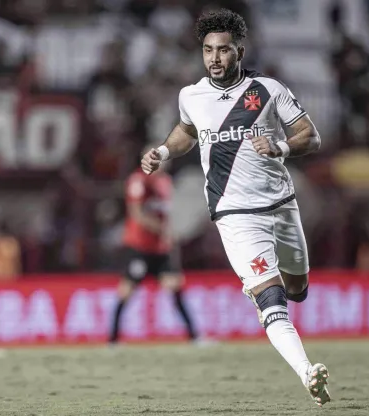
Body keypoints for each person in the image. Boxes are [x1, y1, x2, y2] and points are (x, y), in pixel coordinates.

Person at [140, 9, 331, 406]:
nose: (214, 58)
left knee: (297, 289)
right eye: (208, 50)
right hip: (234, 214)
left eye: (223, 50)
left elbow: (310, 137)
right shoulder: (191, 96)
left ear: (239, 51)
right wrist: (162, 150)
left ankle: (264, 288)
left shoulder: (268, 90)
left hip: (281, 205)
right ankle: (308, 372)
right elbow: (187, 132)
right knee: (271, 297)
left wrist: (279, 146)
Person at [109, 147, 197, 344]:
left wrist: (168, 234)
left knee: (175, 286)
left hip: (160, 249)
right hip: (139, 246)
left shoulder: (165, 181)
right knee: (126, 290)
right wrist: (163, 230)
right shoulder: (138, 180)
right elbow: (137, 214)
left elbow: (165, 214)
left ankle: (194, 337)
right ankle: (113, 339)